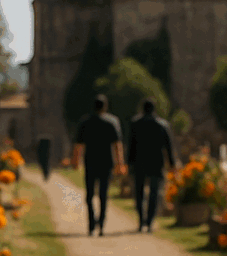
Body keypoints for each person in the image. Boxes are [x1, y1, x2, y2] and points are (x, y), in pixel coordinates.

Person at [71, 95, 126, 236]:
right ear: (105, 106)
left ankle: (91, 224)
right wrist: (120, 163)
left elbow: (78, 145)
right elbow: (117, 145)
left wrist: (76, 161)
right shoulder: (112, 122)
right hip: (106, 163)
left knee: (89, 195)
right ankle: (101, 224)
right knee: (103, 194)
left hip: (91, 162)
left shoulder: (85, 122)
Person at [128, 98, 177, 233]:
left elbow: (131, 146)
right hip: (157, 163)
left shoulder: (135, 123)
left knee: (139, 194)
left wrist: (129, 163)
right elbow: (169, 147)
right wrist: (172, 164)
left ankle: (141, 220)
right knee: (155, 193)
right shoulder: (162, 125)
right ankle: (149, 221)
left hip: (139, 163)